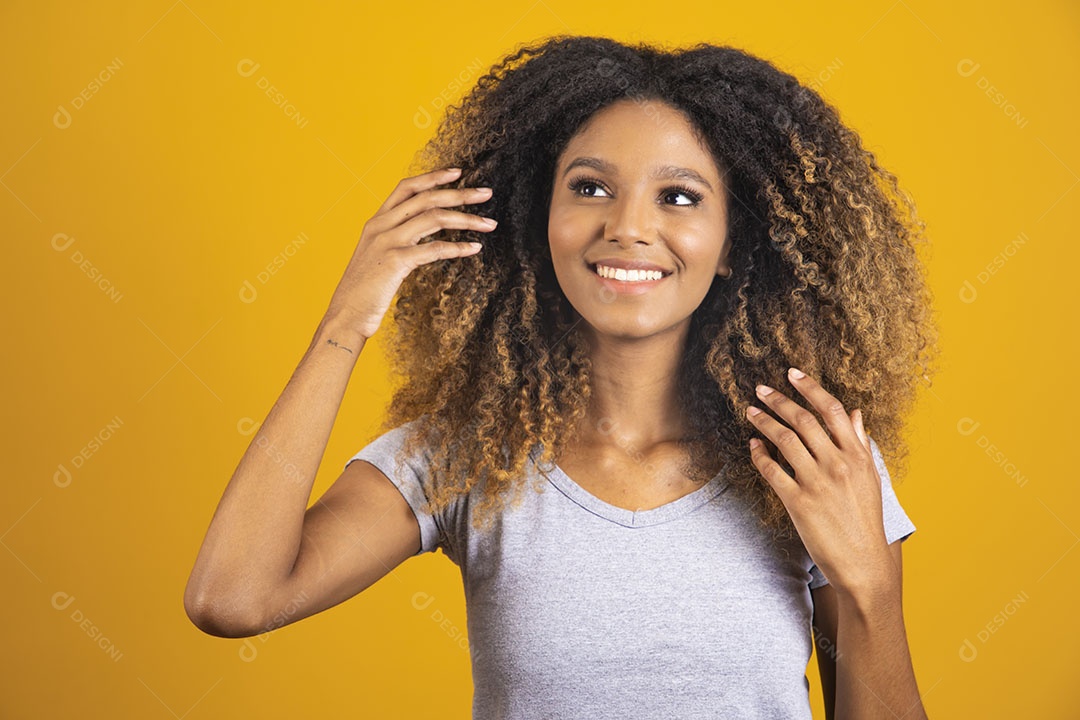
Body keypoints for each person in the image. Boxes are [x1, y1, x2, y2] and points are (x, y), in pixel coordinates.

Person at [184, 35, 938, 719]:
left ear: (734, 245)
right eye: (589, 187)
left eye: (678, 197)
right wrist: (343, 325)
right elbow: (234, 597)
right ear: (535, 221)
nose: (627, 227)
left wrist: (870, 587)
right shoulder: (470, 454)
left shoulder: (811, 460)